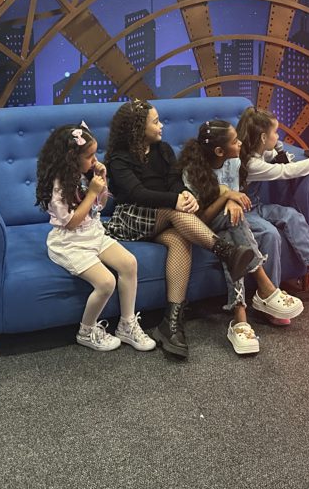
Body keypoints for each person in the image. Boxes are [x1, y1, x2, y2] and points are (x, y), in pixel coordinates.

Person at [103, 100, 257, 359]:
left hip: (163, 218)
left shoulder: (163, 150)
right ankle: (227, 252)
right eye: (155, 122)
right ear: (138, 128)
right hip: (131, 217)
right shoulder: (119, 158)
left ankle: (171, 323)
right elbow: (137, 193)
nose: (161, 125)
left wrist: (185, 195)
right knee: (176, 212)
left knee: (180, 240)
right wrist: (176, 201)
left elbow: (174, 182)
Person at [177, 121, 304, 355]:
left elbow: (235, 198)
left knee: (233, 240)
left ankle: (240, 317)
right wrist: (226, 196)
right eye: (235, 141)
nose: (240, 143)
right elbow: (200, 219)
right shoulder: (191, 172)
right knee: (232, 224)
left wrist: (231, 199)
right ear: (219, 151)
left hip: (227, 225)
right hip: (201, 227)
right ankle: (265, 288)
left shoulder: (234, 161)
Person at [35, 123, 156, 352]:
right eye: (90, 156)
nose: (94, 160)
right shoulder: (57, 187)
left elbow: (99, 205)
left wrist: (102, 181)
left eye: (95, 154)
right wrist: (91, 192)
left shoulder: (84, 176)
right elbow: (72, 222)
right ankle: (86, 331)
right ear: (72, 159)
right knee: (106, 282)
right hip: (69, 243)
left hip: (93, 233)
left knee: (129, 263)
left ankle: (127, 324)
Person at [236, 107, 309, 299]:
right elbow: (285, 171)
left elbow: (281, 156)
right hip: (244, 213)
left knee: (292, 216)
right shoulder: (251, 164)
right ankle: (271, 293)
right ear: (263, 137)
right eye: (275, 132)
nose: (278, 136)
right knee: (270, 234)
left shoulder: (259, 152)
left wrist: (297, 153)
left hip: (256, 206)